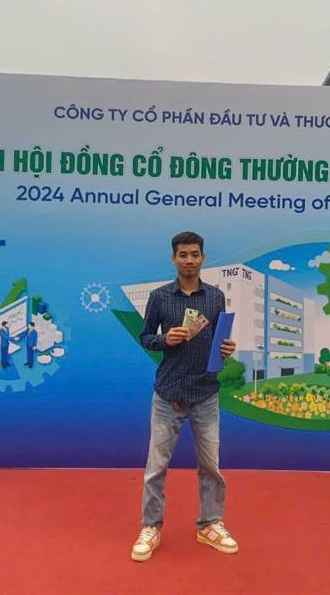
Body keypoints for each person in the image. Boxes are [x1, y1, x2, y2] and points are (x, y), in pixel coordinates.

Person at [131, 231, 238, 563]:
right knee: (156, 468)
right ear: (174, 259)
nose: (189, 260)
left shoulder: (216, 297)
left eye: (194, 254)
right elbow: (145, 337)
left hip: (206, 393)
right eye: (183, 255)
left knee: (211, 467)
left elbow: (220, 341)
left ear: (203, 258)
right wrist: (165, 339)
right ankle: (150, 527)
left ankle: (210, 524)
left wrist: (227, 350)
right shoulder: (160, 297)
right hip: (169, 394)